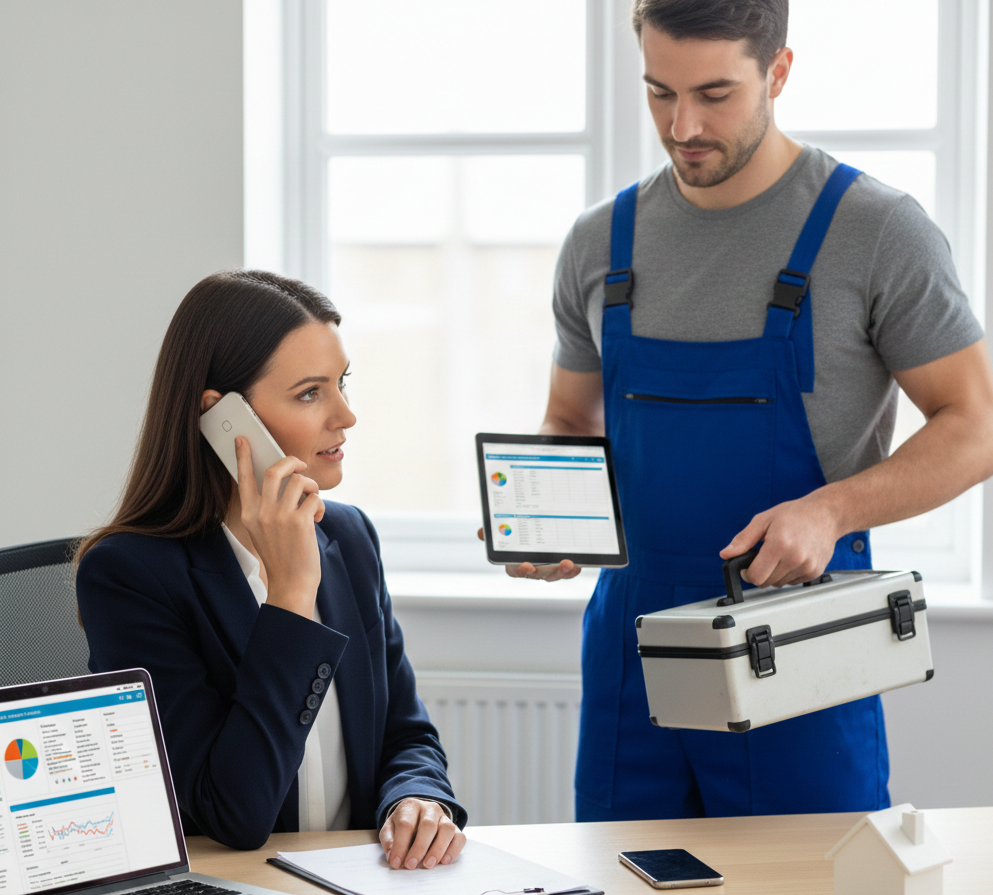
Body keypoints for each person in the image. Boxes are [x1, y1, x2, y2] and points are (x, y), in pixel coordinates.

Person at [505, 0, 993, 821]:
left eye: (714, 94)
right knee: (621, 872)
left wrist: (830, 510)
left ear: (778, 71)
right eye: (659, 92)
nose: (682, 126)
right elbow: (568, 416)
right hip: (632, 647)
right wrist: (550, 515)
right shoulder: (598, 242)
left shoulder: (875, 230)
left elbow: (975, 425)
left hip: (800, 645)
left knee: (807, 874)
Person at [76, 270, 467, 865]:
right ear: (223, 418)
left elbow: (404, 733)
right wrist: (291, 595)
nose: (346, 416)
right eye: (310, 393)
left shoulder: (349, 537)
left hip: (360, 877)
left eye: (342, 383)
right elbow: (233, 812)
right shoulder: (130, 576)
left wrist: (416, 798)